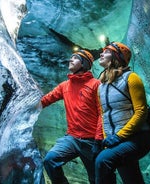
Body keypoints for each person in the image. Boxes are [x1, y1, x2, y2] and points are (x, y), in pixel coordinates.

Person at [40, 49, 103, 184]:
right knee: (50, 160)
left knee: (97, 179)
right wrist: (27, 105)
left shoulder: (96, 84)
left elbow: (102, 113)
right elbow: (46, 99)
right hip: (72, 138)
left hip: (91, 141)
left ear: (84, 63)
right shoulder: (65, 86)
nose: (70, 60)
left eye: (75, 58)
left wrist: (98, 140)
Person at [95, 42, 150, 184]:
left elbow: (141, 112)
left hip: (138, 137)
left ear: (116, 56)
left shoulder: (131, 78)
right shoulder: (101, 86)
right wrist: (102, 138)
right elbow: (104, 115)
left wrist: (118, 136)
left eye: (106, 51)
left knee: (103, 161)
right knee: (132, 180)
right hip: (117, 140)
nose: (101, 54)